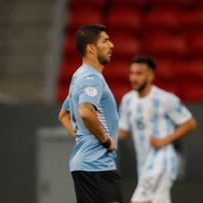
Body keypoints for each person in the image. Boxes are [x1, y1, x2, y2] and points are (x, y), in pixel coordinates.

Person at [118, 55, 197, 203]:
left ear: (151, 76)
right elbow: (123, 132)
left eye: (139, 73)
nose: (133, 78)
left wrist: (163, 140)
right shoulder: (127, 100)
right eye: (132, 73)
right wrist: (99, 129)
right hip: (143, 164)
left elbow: (190, 123)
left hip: (162, 160)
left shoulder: (165, 98)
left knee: (139, 201)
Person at [58, 24, 122, 203]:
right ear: (91, 48)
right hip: (97, 166)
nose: (112, 45)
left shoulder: (79, 76)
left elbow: (63, 114)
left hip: (89, 165)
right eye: (105, 41)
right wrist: (105, 140)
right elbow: (86, 112)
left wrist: (81, 139)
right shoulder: (91, 78)